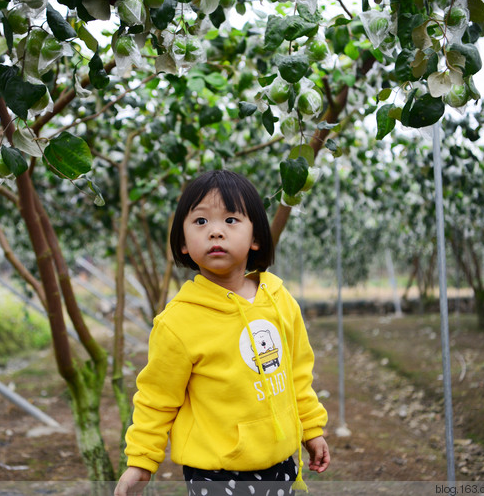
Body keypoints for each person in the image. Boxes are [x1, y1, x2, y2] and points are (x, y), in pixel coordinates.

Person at [114, 170, 329, 496]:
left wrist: (311, 429)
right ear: (183, 243)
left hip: (282, 462)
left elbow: (297, 374)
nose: (215, 231)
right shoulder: (178, 322)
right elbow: (157, 399)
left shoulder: (280, 300)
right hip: (216, 474)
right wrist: (141, 462)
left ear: (256, 237)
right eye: (200, 222)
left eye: (231, 220)